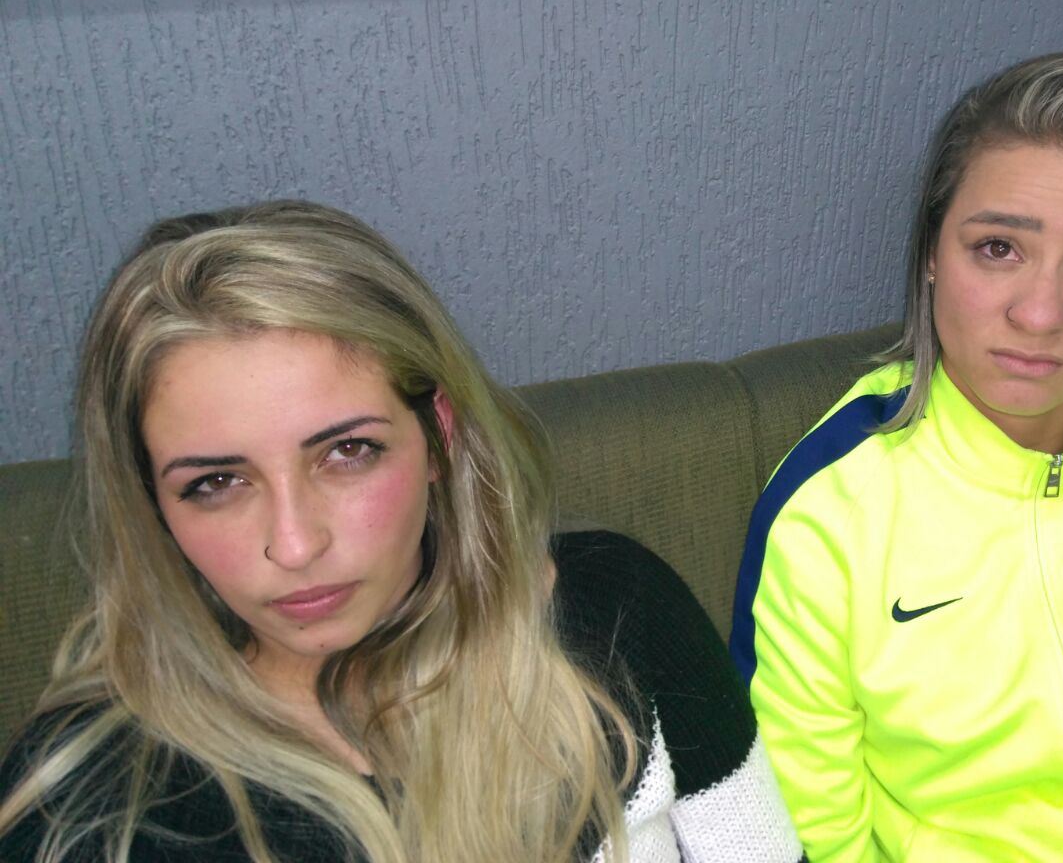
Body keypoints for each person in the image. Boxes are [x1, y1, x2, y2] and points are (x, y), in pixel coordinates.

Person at [0, 201, 803, 863]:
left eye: (347, 452)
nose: (294, 545)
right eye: (216, 483)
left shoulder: (619, 608)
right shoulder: (90, 811)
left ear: (438, 437)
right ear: (150, 501)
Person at [730, 53, 1063, 862]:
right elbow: (815, 829)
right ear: (931, 252)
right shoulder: (828, 509)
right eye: (998, 248)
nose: (1041, 313)